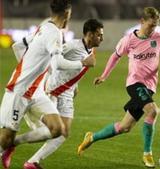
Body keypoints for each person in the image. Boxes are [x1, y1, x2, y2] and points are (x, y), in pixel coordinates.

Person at [77, 7, 160, 168]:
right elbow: (114, 57)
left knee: (124, 127)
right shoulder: (129, 40)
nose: (153, 29)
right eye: (150, 25)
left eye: (155, 26)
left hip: (150, 87)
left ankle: (92, 137)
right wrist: (104, 76)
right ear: (142, 22)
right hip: (134, 83)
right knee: (152, 111)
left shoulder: (159, 38)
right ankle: (147, 154)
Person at [0, 0, 95, 168]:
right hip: (19, 91)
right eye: (70, 15)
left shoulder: (43, 27)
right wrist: (83, 63)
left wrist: (30, 69)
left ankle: (14, 144)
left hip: (35, 92)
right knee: (4, 140)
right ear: (67, 14)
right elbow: (58, 63)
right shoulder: (54, 33)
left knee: (58, 129)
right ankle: (8, 145)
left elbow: (18, 46)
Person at [20, 18, 104, 169]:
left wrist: (75, 86)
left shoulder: (90, 50)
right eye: (99, 35)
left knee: (63, 133)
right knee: (50, 131)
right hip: (53, 91)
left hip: (67, 94)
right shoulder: (72, 46)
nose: (102, 38)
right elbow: (52, 60)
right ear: (90, 34)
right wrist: (47, 80)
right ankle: (11, 142)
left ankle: (32, 162)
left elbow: (74, 72)